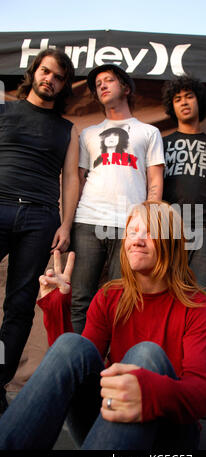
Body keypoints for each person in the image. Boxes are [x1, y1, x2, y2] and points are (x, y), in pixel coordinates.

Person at [0, 200, 206, 451]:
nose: (136, 240)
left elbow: (201, 396)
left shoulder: (197, 306)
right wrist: (56, 307)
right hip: (110, 424)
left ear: (170, 242)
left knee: (145, 355)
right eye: (132, 232)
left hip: (170, 434)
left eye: (149, 233)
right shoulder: (109, 296)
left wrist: (148, 391)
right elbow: (79, 368)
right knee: (72, 344)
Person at [0, 48, 79, 415]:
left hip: (40, 219)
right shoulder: (5, 109)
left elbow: (71, 178)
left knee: (19, 306)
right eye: (45, 71)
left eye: (58, 76)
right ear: (34, 73)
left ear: (64, 85)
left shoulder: (67, 129)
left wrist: (65, 223)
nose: (50, 79)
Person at [71, 64, 165, 334]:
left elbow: (155, 182)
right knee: (80, 299)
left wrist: (148, 223)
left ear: (125, 88)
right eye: (98, 83)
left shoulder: (148, 132)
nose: (102, 85)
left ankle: (111, 370)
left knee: (120, 301)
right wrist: (66, 224)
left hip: (130, 228)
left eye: (109, 80)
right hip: (87, 222)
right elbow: (77, 181)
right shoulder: (88, 134)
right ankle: (78, 365)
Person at [162, 75, 206, 290]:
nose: (184, 102)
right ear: (171, 107)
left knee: (198, 295)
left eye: (189, 96)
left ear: (198, 101)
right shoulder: (160, 144)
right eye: (177, 99)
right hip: (168, 229)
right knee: (166, 294)